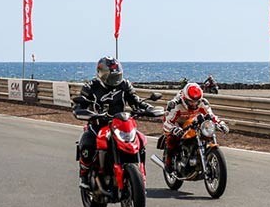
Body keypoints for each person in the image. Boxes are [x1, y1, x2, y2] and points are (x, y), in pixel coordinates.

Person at [73, 56, 153, 189]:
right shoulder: (91, 86)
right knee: (87, 142)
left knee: (140, 139)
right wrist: (80, 110)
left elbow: (136, 101)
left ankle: (140, 173)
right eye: (112, 77)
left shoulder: (124, 85)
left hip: (120, 123)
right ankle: (84, 174)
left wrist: (148, 108)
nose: (115, 80)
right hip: (99, 124)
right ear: (102, 74)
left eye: (117, 76)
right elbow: (79, 104)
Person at [162, 82, 229, 166]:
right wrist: (174, 129)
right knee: (172, 139)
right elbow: (167, 123)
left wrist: (221, 124)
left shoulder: (203, 102)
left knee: (205, 130)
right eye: (191, 102)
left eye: (196, 101)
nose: (194, 104)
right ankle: (168, 162)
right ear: (184, 99)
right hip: (177, 122)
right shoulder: (174, 104)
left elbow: (210, 115)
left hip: (193, 120)